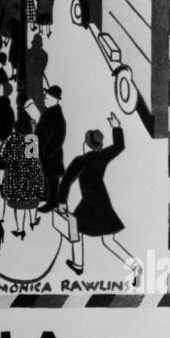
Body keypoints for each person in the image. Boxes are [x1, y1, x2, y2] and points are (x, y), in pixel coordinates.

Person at [57, 115, 141, 281]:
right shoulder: (102, 156)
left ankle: (78, 265)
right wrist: (116, 127)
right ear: (99, 145)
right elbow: (119, 145)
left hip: (89, 202)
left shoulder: (80, 161)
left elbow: (66, 180)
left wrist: (61, 202)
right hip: (101, 200)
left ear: (86, 144)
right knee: (108, 240)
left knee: (75, 229)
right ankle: (135, 266)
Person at [0, 120, 47, 237]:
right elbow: (32, 155)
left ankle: (20, 230)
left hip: (15, 176)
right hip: (32, 174)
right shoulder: (32, 138)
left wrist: (11, 158)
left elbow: (2, 154)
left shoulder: (12, 138)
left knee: (18, 203)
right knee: (32, 198)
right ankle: (33, 221)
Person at [36, 85, 66, 210]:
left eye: (48, 96)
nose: (45, 98)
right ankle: (45, 196)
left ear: (56, 99)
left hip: (51, 153)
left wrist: (46, 151)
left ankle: (52, 202)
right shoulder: (49, 112)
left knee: (52, 178)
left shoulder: (57, 115)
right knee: (46, 175)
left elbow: (58, 138)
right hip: (44, 152)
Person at [26, 34, 48, 114]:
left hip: (36, 84)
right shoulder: (28, 52)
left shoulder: (43, 55)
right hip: (29, 84)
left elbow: (41, 68)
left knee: (40, 106)